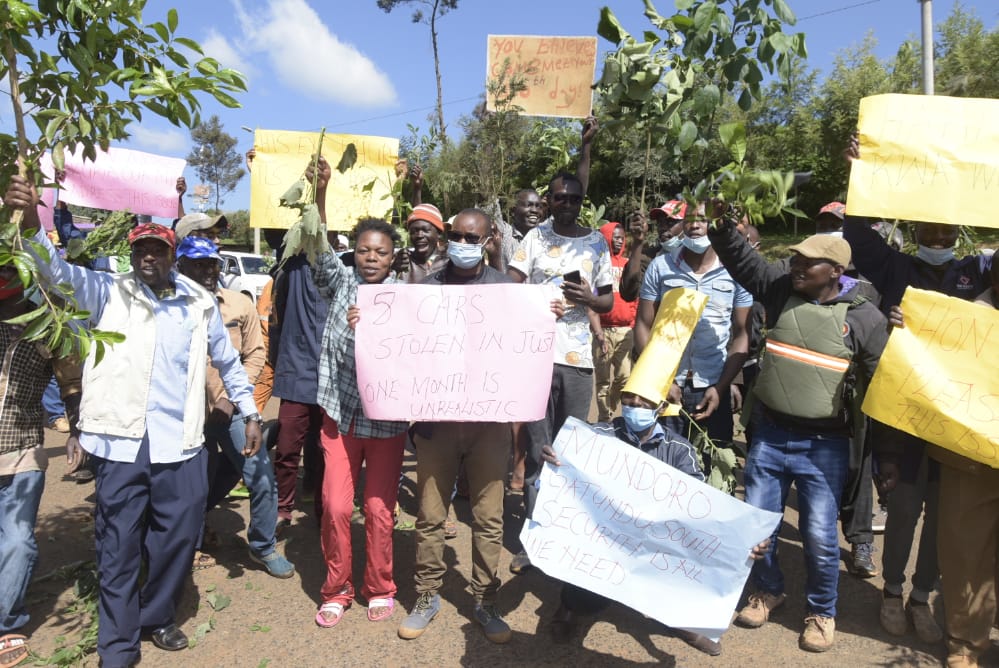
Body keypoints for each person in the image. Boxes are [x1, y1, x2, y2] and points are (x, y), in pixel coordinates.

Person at [7, 176, 261, 668]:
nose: (149, 257)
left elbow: (228, 362)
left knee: (178, 537)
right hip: (122, 445)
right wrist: (27, 221)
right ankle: (117, 648)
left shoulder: (197, 301)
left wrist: (250, 410)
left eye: (157, 250)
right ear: (132, 254)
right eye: (141, 249)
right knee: (118, 548)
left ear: (171, 256)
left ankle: (156, 614)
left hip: (181, 445)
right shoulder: (105, 291)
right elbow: (53, 270)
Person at [842, 137, 993, 658]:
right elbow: (857, 237)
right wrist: (861, 178)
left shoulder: (977, 272)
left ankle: (923, 597)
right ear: (918, 229)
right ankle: (891, 590)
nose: (939, 234)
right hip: (905, 409)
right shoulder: (895, 267)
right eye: (930, 227)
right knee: (903, 505)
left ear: (960, 230)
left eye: (947, 228)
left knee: (944, 514)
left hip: (958, 414)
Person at [708, 219, 888, 653]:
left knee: (822, 538)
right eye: (796, 257)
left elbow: (882, 388)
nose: (797, 265)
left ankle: (822, 611)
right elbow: (743, 260)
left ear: (835, 271)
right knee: (758, 526)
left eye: (808, 262)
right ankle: (767, 590)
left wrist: (885, 456)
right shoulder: (779, 288)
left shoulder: (865, 318)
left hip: (825, 444)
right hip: (769, 433)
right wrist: (721, 229)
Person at [393, 209, 555, 643]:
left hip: (489, 426)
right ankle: (427, 595)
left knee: (489, 517)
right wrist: (369, 325)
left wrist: (548, 313)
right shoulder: (426, 290)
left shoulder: (509, 291)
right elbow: (401, 346)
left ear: (488, 241)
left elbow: (527, 347)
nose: (464, 243)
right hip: (436, 425)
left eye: (473, 237)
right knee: (429, 515)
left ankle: (485, 599)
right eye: (458, 236)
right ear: (448, 238)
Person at [308, 157, 409, 628]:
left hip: (385, 422)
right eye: (365, 250)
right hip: (340, 417)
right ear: (356, 253)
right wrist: (319, 192)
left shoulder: (407, 298)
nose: (371, 258)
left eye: (381, 252)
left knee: (378, 510)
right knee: (334, 505)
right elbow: (316, 245)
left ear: (393, 258)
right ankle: (337, 588)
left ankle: (380, 586)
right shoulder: (341, 282)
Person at [506, 171, 614, 574]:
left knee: (569, 452)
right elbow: (511, 286)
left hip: (577, 362)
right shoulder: (534, 239)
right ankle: (535, 540)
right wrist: (538, 303)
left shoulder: (596, 243)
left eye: (573, 198)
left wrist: (588, 297)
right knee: (537, 450)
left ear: (581, 201)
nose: (566, 204)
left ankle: (566, 534)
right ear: (549, 201)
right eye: (559, 198)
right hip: (534, 358)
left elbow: (606, 302)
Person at [175, 236, 292, 578]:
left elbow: (255, 354)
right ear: (180, 267)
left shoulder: (239, 304)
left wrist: (229, 398)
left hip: (229, 410)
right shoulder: (168, 306)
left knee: (260, 475)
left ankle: (263, 547)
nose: (207, 271)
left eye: (212, 263)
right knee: (191, 481)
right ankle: (190, 542)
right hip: (182, 415)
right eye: (197, 264)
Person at [0, 261, 82, 668]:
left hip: (20, 450)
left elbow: (71, 380)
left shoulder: (48, 321)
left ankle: (5, 622)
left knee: (16, 541)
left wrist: (76, 429)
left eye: (10, 269)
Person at [635, 201, 751, 449]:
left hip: (712, 386)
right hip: (666, 387)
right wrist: (661, 380)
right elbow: (643, 326)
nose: (695, 225)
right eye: (688, 219)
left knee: (711, 467)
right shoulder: (660, 266)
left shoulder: (736, 271)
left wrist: (722, 387)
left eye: (702, 219)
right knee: (663, 463)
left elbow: (742, 335)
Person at [589, 221, 638, 422]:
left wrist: (633, 323)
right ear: (606, 237)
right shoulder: (597, 265)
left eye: (621, 237)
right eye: (614, 237)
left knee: (625, 377)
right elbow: (591, 301)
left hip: (625, 330)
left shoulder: (628, 264)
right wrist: (598, 332)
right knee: (602, 380)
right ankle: (604, 418)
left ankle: (609, 405)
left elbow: (636, 297)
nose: (619, 241)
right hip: (603, 330)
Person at [619, 201, 685, 303]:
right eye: (660, 222)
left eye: (670, 222)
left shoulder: (701, 257)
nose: (663, 227)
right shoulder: (650, 258)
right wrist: (637, 242)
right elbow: (628, 293)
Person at [394, 203, 448, 283]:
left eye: (425, 230)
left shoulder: (450, 261)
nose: (419, 235)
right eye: (414, 231)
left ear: (439, 233)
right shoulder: (402, 260)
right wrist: (395, 271)